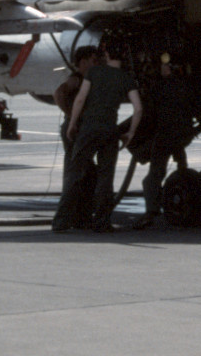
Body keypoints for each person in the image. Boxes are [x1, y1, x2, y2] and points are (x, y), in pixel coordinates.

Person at [54, 47, 142, 233]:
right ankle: (101, 222)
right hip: (110, 130)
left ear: (108, 55)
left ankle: (62, 221)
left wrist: (72, 122)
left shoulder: (93, 73)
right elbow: (138, 108)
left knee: (75, 174)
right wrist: (131, 132)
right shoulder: (126, 77)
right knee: (105, 178)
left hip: (87, 129)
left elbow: (79, 100)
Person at [134, 55, 198, 229]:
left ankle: (151, 212)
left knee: (152, 177)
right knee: (181, 166)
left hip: (166, 136)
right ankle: (185, 190)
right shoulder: (187, 85)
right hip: (183, 134)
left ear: (168, 68)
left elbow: (149, 109)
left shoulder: (160, 87)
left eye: (164, 67)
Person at [53, 46, 99, 152]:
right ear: (83, 62)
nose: (97, 64)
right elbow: (59, 94)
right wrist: (72, 116)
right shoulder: (76, 79)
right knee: (74, 162)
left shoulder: (89, 79)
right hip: (75, 127)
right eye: (94, 61)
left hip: (81, 125)